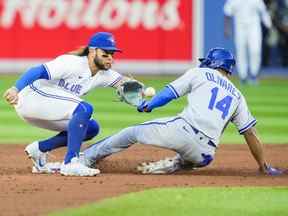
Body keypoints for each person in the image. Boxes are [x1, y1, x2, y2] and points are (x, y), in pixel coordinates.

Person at [79, 47, 282, 176]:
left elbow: (169, 93)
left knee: (131, 132)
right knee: (194, 157)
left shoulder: (200, 72)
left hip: (182, 131)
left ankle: (85, 158)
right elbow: (250, 133)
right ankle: (178, 163)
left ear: (211, 63)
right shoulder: (238, 95)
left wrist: (148, 105)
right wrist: (264, 166)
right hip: (206, 154)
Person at [3, 32, 141, 176]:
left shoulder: (104, 74)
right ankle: (70, 163)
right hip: (30, 97)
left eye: (112, 54)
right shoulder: (72, 63)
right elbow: (37, 70)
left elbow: (123, 82)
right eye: (105, 53)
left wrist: (139, 91)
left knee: (91, 128)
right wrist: (15, 89)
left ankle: (40, 149)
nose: (110, 58)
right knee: (84, 109)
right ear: (92, 51)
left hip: (45, 108)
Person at [224, 0, 272, 84]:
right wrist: (227, 28)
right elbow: (227, 13)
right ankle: (243, 76)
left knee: (255, 50)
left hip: (254, 27)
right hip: (240, 27)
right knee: (240, 51)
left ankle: (254, 75)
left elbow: (263, 12)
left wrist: (268, 25)